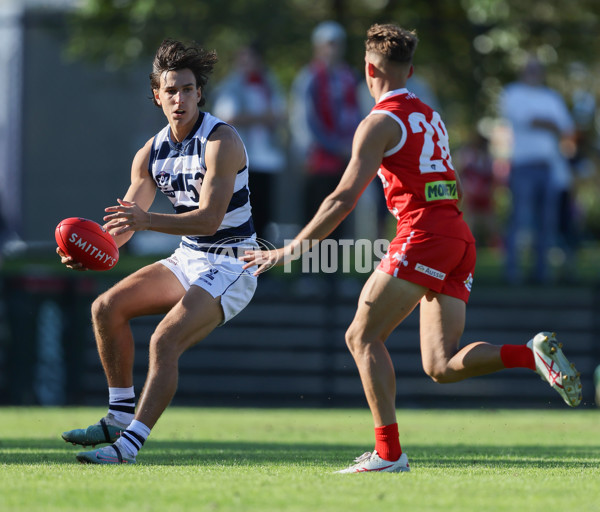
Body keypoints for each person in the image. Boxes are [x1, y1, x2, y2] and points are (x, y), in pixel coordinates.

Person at [241, 23, 582, 473]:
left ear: (368, 69)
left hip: (424, 234)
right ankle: (530, 355)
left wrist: (290, 249)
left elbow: (343, 197)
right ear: (411, 69)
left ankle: (388, 453)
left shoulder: (378, 122)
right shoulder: (429, 114)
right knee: (440, 365)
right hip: (457, 235)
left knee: (360, 336)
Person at [57, 39, 259, 464]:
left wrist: (147, 222)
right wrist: (89, 250)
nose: (179, 98)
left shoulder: (223, 140)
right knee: (105, 308)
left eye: (187, 89)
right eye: (171, 90)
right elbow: (126, 224)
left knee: (165, 341)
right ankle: (117, 416)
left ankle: (127, 447)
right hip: (189, 258)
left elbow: (208, 219)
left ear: (199, 93)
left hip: (233, 262)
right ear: (157, 96)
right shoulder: (150, 153)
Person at [500, 56, 576, 285]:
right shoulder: (512, 93)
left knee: (547, 222)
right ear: (522, 71)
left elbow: (567, 129)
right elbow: (530, 121)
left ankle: (541, 274)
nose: (533, 72)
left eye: (537, 68)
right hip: (523, 166)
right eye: (529, 68)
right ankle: (513, 272)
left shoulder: (551, 97)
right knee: (520, 220)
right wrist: (551, 124)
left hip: (549, 167)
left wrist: (549, 124)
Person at [289, 20, 362, 232]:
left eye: (338, 43)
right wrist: (327, 146)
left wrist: (353, 146)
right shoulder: (309, 77)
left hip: (345, 160)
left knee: (339, 218)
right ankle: (309, 265)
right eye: (329, 43)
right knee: (314, 219)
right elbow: (304, 120)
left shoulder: (350, 77)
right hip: (317, 160)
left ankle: (333, 265)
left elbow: (357, 113)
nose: (334, 48)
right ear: (318, 46)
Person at [212, 42, 287, 242]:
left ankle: (261, 260)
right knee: (242, 211)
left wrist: (253, 117)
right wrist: (261, 118)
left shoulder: (269, 84)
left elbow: (279, 114)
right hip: (242, 157)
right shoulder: (231, 85)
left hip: (268, 158)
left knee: (265, 212)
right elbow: (227, 117)